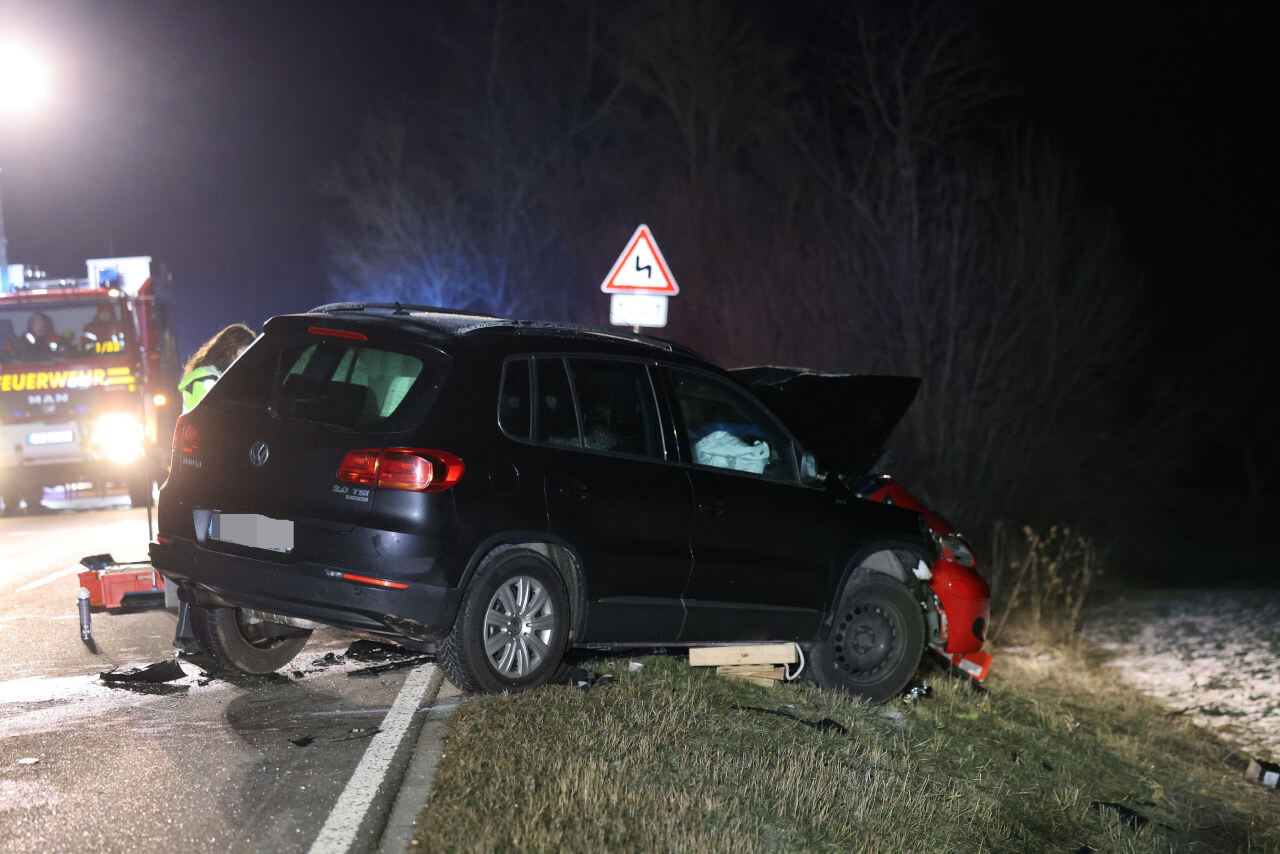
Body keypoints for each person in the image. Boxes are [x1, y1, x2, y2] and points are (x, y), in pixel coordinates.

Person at [172, 323, 256, 654]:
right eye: (243, 354)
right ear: (231, 351)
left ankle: (195, 638)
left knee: (208, 556)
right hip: (203, 478)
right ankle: (192, 639)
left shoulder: (208, 376)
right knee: (207, 558)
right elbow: (217, 426)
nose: (245, 361)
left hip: (200, 476)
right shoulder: (208, 381)